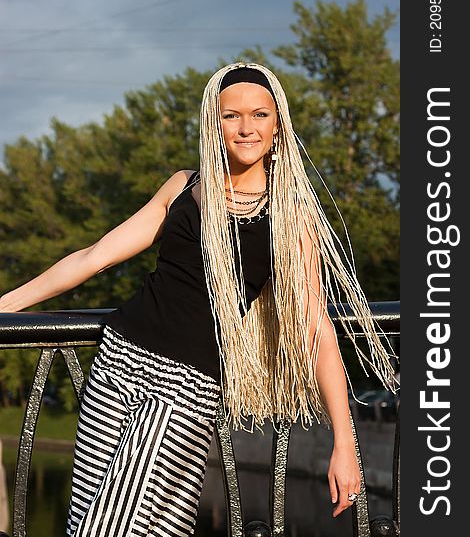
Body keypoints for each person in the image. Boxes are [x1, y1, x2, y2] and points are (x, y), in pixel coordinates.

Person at [0, 62, 398, 535]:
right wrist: (7, 303)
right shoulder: (185, 186)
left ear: (278, 124)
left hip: (184, 389)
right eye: (231, 116)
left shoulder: (291, 215)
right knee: (89, 522)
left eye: (259, 115)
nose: (246, 127)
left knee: (118, 528)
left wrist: (345, 442)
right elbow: (95, 257)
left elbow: (315, 327)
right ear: (215, 123)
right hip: (116, 363)